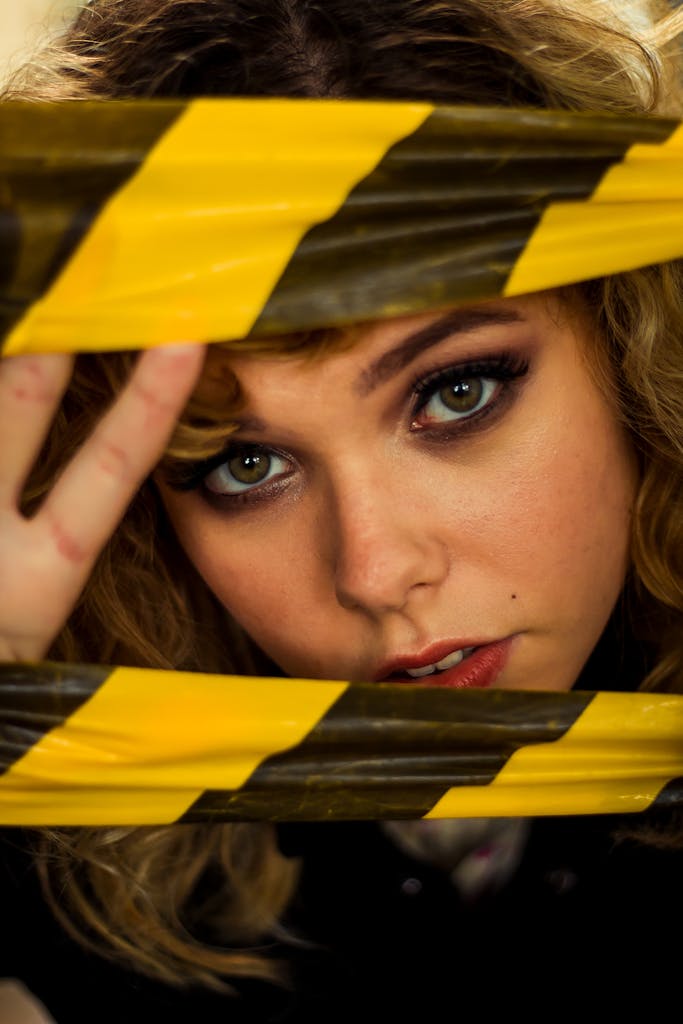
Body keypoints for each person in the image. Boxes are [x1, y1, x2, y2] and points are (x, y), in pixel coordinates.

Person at [0, 1, 682, 1021]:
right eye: (242, 466)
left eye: (457, 392)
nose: (371, 569)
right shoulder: (72, 839)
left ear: (631, 336)